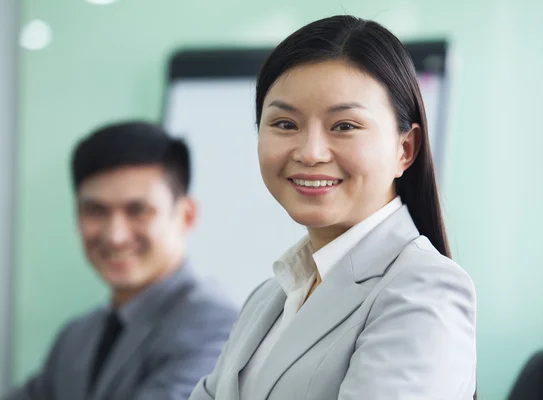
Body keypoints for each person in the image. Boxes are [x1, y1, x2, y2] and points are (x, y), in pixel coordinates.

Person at [189, 14, 477, 400]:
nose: (310, 153)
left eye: (344, 126)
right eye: (285, 124)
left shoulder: (423, 289)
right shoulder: (269, 297)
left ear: (404, 149)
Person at [3, 121, 238, 400]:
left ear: (186, 215)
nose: (115, 236)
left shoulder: (214, 328)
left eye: (138, 211)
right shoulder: (76, 336)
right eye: (96, 211)